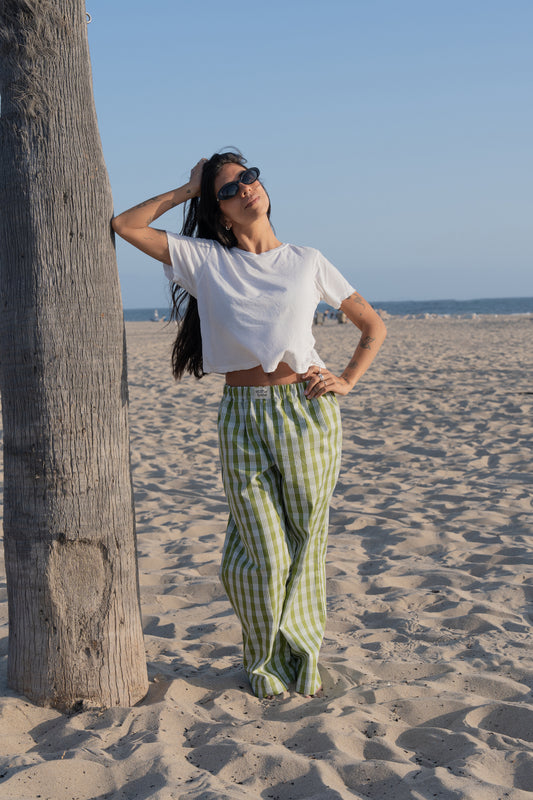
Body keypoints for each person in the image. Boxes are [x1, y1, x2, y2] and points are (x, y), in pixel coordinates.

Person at [112, 151, 387, 699]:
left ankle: (301, 656)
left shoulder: (307, 260)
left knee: (307, 541)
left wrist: (348, 380)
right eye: (230, 189)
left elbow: (372, 325)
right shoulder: (205, 260)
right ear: (220, 212)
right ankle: (262, 659)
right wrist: (188, 190)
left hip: (307, 411)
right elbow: (126, 226)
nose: (246, 189)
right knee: (262, 548)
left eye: (249, 178)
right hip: (242, 415)